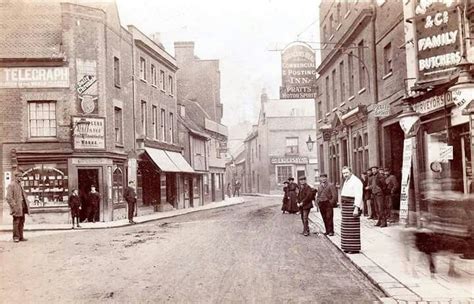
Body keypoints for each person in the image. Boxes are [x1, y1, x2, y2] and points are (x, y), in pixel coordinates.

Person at [340, 166, 363, 254]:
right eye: (343, 173)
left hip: (352, 206)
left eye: (346, 173)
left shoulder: (356, 181)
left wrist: (356, 208)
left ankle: (353, 248)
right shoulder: (346, 181)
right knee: (346, 227)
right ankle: (347, 246)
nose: (345, 175)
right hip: (346, 207)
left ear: (350, 172)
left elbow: (358, 195)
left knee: (352, 227)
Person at [6, 170, 30, 242]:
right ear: (16, 177)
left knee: (22, 222)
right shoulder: (11, 185)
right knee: (16, 222)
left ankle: (21, 237)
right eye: (20, 176)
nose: (21, 178)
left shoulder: (20, 185)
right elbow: (8, 198)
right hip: (17, 207)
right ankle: (16, 237)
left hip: (22, 207)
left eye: (21, 176)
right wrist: (14, 206)